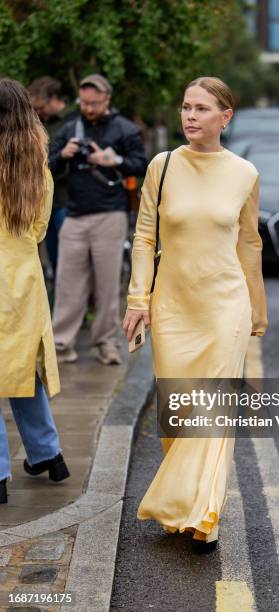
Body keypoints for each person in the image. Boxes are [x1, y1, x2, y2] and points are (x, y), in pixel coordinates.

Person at [123, 76, 268, 553]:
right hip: (173, 309)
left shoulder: (245, 172)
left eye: (202, 109)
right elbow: (145, 236)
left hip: (225, 307)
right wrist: (137, 300)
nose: (190, 116)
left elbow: (249, 243)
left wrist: (257, 311)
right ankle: (181, 507)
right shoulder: (162, 166)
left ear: (225, 117)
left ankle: (204, 516)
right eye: (186, 107)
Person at [0, 78, 70, 504]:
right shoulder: (38, 169)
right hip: (24, 279)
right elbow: (41, 229)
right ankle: (49, 453)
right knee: (24, 372)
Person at [50, 74, 148, 366]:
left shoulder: (124, 129)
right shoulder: (70, 128)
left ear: (107, 99)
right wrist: (63, 155)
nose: (89, 108)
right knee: (67, 283)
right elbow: (46, 167)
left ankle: (106, 342)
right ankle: (61, 343)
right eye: (85, 103)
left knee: (108, 284)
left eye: (94, 103)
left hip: (111, 213)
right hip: (75, 214)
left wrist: (113, 160)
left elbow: (141, 164)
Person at [28, 77, 76, 281]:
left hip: (67, 198)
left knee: (70, 260)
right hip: (46, 201)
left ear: (55, 99)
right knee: (54, 257)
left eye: (41, 107)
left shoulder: (73, 121)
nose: (39, 113)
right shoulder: (39, 124)